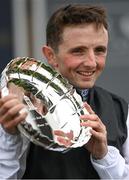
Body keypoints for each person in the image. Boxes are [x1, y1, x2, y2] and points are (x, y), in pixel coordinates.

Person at [0, 3, 129, 179]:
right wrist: (9, 135)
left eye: (99, 50)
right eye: (78, 51)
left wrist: (104, 155)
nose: (91, 62)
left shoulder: (121, 109)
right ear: (50, 55)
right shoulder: (13, 108)